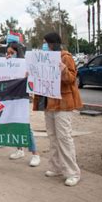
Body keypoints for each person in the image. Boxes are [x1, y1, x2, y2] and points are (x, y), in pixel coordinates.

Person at [32, 32, 83, 186]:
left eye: (45, 42)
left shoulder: (65, 57)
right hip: (49, 103)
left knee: (64, 138)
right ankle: (56, 167)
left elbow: (72, 79)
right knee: (53, 137)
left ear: (52, 43)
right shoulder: (44, 57)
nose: (44, 45)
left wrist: (63, 70)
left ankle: (72, 172)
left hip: (62, 103)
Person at [5, 42, 40, 167]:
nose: (9, 55)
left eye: (11, 53)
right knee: (14, 124)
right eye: (8, 53)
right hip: (10, 97)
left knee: (25, 126)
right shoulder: (8, 63)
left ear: (17, 52)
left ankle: (35, 154)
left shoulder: (25, 64)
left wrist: (28, 77)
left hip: (21, 98)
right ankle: (19, 149)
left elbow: (33, 81)